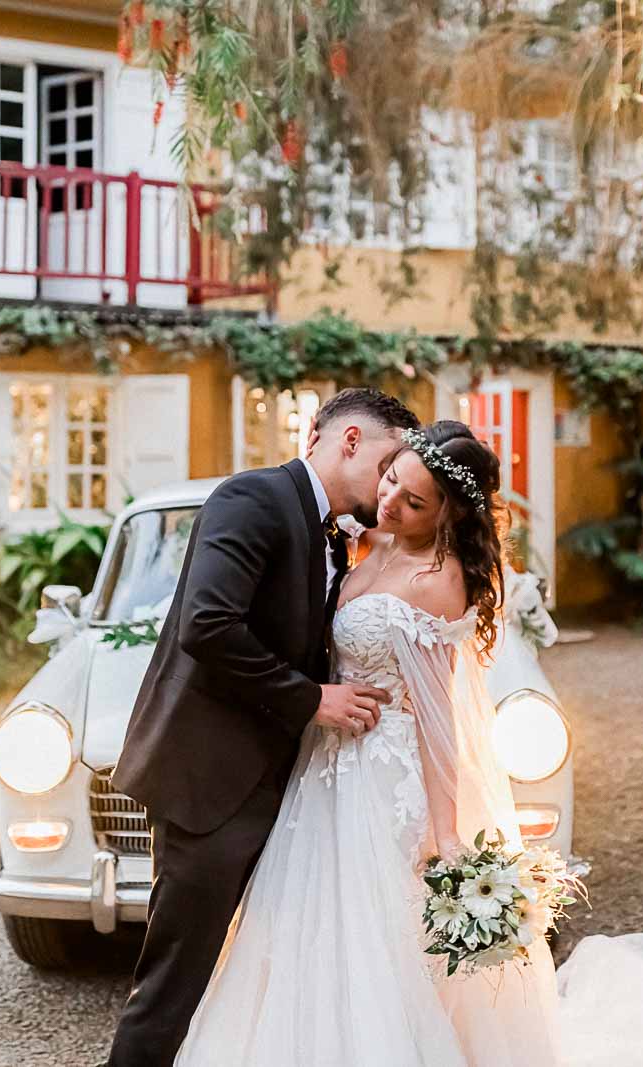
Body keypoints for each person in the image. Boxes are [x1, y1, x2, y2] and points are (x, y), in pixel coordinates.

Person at [168, 420, 643, 1067]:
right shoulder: (371, 541)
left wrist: (448, 837)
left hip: (383, 786)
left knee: (379, 947)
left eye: (415, 502)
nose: (392, 500)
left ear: (449, 518)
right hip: (325, 771)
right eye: (392, 480)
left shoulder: (437, 579)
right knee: (307, 941)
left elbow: (439, 720)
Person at [105, 387, 421, 1067]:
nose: (391, 484)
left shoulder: (337, 533)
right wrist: (312, 699)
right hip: (212, 786)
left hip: (287, 796)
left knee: (271, 982)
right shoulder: (253, 498)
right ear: (350, 441)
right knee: (174, 986)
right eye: (389, 464)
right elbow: (208, 624)